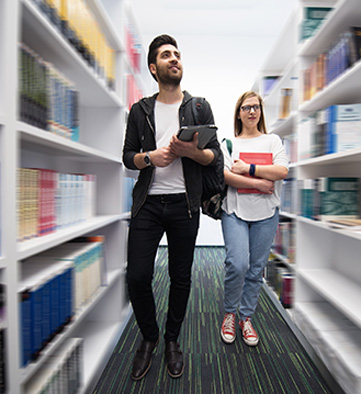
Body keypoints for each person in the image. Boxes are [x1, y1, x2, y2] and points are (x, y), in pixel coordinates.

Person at [122, 34, 221, 380]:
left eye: (177, 54)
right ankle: (149, 336)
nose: (174, 59)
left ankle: (172, 340)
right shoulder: (140, 110)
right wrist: (151, 157)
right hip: (148, 205)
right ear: (154, 67)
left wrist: (189, 152)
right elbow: (127, 158)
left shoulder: (199, 106)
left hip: (185, 204)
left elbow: (215, 160)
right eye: (166, 55)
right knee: (136, 276)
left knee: (181, 277)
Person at [220, 91, 289, 346]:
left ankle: (245, 317)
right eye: (246, 107)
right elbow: (226, 176)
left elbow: (281, 170)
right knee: (237, 264)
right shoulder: (228, 142)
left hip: (266, 214)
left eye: (256, 107)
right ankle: (230, 312)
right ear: (238, 112)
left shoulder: (273, 140)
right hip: (235, 210)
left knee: (256, 269)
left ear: (261, 112)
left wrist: (248, 169)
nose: (252, 111)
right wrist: (261, 183)